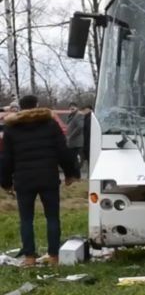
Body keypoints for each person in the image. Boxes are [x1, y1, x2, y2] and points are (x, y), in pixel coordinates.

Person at [1, 95, 80, 267]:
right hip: (48, 178)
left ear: (20, 108)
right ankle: (53, 256)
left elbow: (6, 159)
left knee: (26, 219)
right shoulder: (50, 125)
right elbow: (63, 151)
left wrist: (6, 183)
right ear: (37, 106)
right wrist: (70, 174)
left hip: (24, 180)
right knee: (52, 217)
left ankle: (29, 257)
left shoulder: (12, 128)